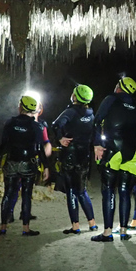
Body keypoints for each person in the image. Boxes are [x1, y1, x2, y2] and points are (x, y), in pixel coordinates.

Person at [91, 76, 136, 242]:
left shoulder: (111, 99)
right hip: (132, 154)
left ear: (119, 87)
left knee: (108, 190)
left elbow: (97, 121)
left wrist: (96, 145)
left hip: (113, 151)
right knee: (124, 191)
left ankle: (107, 232)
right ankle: (123, 231)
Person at [0, 95, 48, 236]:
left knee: (8, 193)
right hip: (28, 164)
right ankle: (25, 228)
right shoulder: (36, 126)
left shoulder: (10, 123)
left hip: (11, 162)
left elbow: (4, 144)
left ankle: (3, 227)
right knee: (26, 195)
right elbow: (39, 149)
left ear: (21, 107)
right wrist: (46, 166)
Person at [52, 84, 99, 234]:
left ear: (75, 97)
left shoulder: (70, 112)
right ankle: (92, 223)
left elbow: (56, 125)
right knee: (82, 190)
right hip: (84, 155)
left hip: (70, 155)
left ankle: (75, 226)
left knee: (71, 191)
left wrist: (60, 139)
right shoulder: (91, 114)